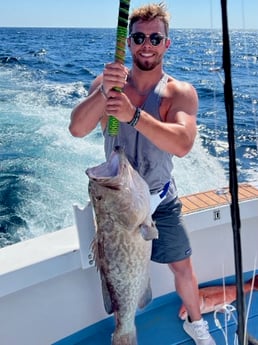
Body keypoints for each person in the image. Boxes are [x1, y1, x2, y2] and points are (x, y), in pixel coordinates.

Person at [69, 3, 216, 345]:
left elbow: (182, 143)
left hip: (160, 198)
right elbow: (77, 128)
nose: (146, 43)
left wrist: (134, 115)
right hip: (117, 203)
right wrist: (105, 92)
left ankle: (196, 324)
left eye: (155, 37)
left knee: (183, 267)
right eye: (138, 36)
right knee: (115, 270)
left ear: (167, 43)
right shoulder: (106, 85)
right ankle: (124, 329)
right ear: (130, 42)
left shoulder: (179, 93)